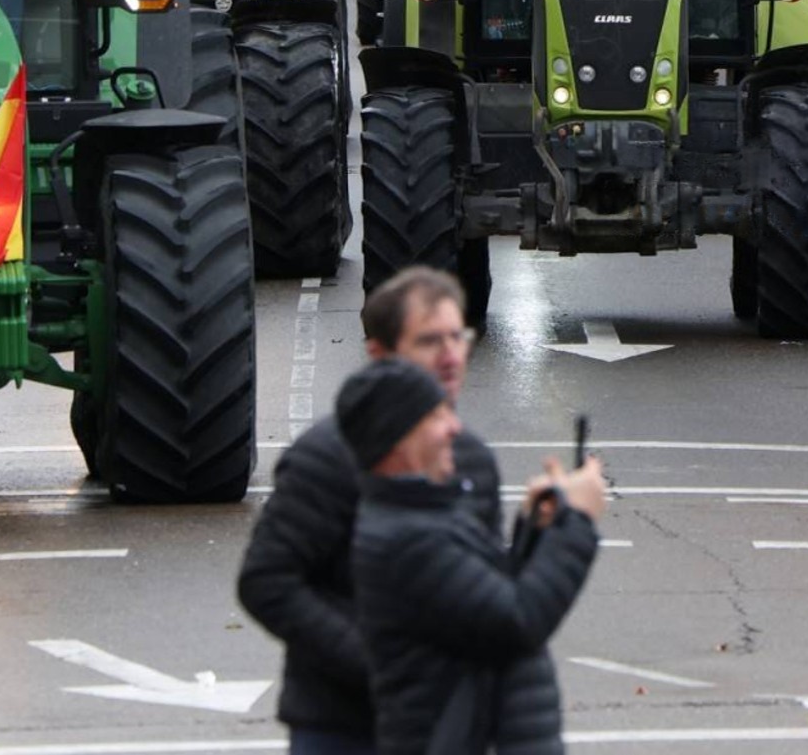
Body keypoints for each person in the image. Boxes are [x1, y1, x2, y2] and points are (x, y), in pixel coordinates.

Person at [239, 268, 501, 755]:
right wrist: (379, 662)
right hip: (342, 727)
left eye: (456, 337)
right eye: (428, 341)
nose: (449, 357)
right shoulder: (326, 457)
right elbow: (267, 582)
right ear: (379, 353)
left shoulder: (474, 462)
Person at [344, 360, 603, 755]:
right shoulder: (409, 536)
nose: (454, 427)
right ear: (396, 437)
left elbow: (487, 601)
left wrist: (537, 529)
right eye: (434, 416)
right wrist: (579, 523)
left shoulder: (423, 513)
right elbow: (517, 621)